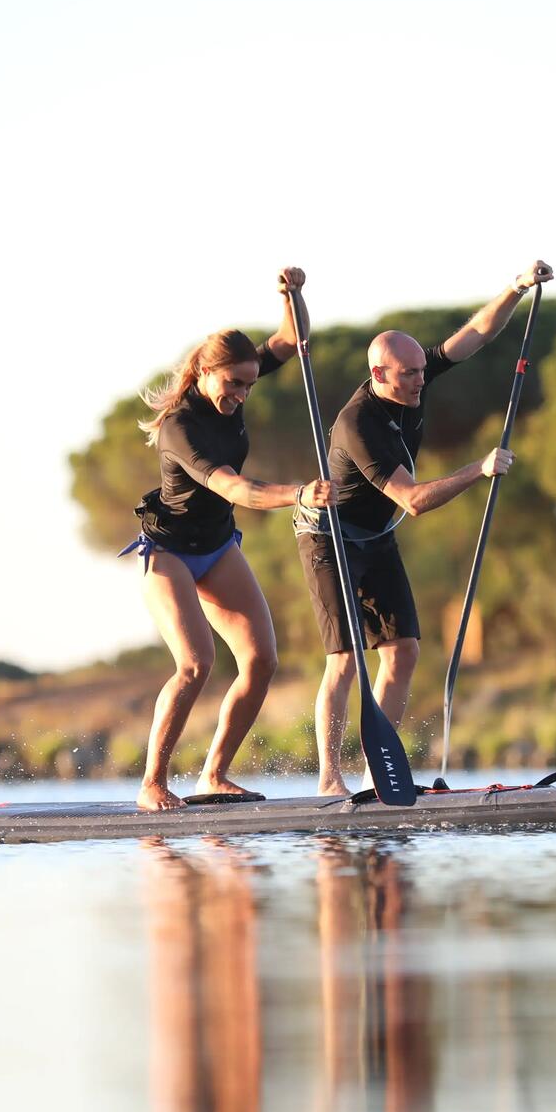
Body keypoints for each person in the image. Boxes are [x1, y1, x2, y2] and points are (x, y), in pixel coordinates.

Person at [295, 260, 554, 795]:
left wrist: (516, 287)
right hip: (329, 539)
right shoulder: (358, 424)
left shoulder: (413, 376)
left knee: (403, 650)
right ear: (379, 376)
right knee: (344, 660)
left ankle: (376, 775)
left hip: (375, 534)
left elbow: (475, 335)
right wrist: (476, 470)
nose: (420, 380)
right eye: (408, 374)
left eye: (421, 371)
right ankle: (328, 778)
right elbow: (412, 501)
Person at [127, 268, 334, 811]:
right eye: (233, 383)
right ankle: (152, 783)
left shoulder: (238, 377)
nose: (242, 393)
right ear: (203, 371)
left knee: (262, 660)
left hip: (217, 545)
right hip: (169, 552)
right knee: (195, 665)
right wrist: (297, 495)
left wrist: (294, 296)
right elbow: (234, 486)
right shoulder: (180, 427)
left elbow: (293, 340)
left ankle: (214, 774)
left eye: (249, 384)